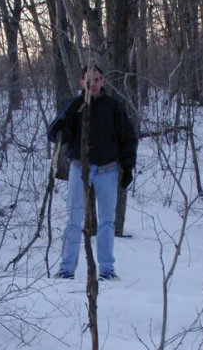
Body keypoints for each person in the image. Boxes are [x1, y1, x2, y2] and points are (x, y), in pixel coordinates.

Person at [48, 65, 138, 280]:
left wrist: (127, 167)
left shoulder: (113, 107)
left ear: (103, 81)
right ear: (82, 83)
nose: (93, 83)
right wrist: (60, 128)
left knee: (107, 221)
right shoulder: (76, 105)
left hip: (108, 170)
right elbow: (58, 134)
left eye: (97, 79)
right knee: (74, 219)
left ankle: (107, 271)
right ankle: (66, 270)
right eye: (89, 80)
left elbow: (128, 138)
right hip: (80, 168)